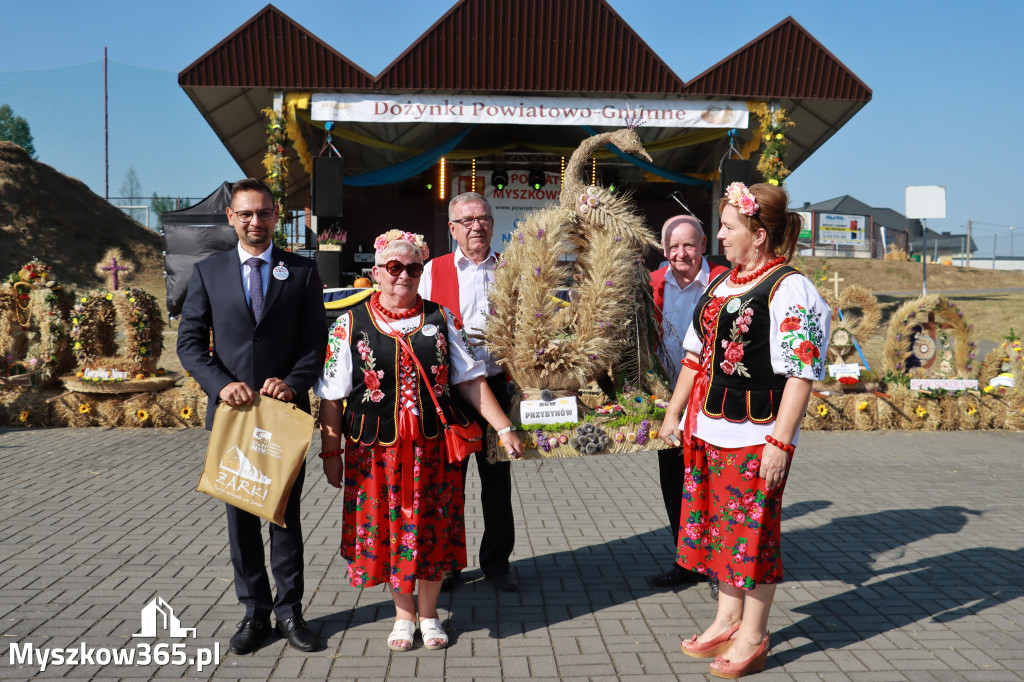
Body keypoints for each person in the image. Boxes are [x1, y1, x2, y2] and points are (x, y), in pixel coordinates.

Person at [316, 230, 523, 652]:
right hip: (376, 454)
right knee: (390, 530)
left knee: (432, 528)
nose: (403, 276)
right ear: (376, 273)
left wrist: (502, 427)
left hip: (432, 452)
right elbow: (332, 398)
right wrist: (330, 453)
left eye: (412, 268)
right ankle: (403, 614)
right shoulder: (349, 324)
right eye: (393, 268)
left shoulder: (442, 319)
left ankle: (428, 615)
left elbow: (470, 381)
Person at [659, 182, 829, 678]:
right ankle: (727, 618)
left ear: (759, 234)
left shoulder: (789, 287)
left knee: (753, 534)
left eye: (729, 227)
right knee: (722, 530)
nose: (720, 235)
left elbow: (801, 373)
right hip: (710, 428)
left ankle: (754, 632)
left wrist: (780, 441)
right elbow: (695, 355)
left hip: (757, 434)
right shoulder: (721, 282)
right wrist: (674, 412)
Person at [177, 178, 327, 655]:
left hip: (284, 416)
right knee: (241, 518)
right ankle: (254, 613)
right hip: (233, 418)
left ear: (276, 216)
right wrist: (223, 384)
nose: (254, 222)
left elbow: (314, 343)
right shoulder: (208, 272)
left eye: (263, 213)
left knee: (283, 517)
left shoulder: (301, 272)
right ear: (230, 217)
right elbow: (190, 344)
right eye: (245, 214)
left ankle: (290, 612)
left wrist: (294, 382)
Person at [417, 191, 520, 593]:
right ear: (453, 229)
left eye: (484, 219)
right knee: (449, 483)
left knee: (497, 484)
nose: (477, 226)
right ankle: (449, 564)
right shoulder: (433, 271)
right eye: (468, 220)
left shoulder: (512, 269)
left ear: (493, 224)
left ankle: (497, 564)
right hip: (448, 391)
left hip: (497, 385)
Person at [648, 215, 727, 590]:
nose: (682, 253)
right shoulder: (653, 283)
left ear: (703, 245)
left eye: (689, 245)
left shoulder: (723, 283)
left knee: (710, 484)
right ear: (664, 251)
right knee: (674, 483)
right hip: (668, 398)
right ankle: (685, 561)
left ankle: (715, 567)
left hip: (712, 400)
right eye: (674, 246)